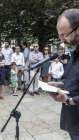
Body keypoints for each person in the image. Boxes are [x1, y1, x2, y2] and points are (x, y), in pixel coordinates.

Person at [48, 9, 79, 139]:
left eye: (65, 35)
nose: (62, 40)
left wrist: (68, 100)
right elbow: (74, 80)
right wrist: (60, 84)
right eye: (60, 36)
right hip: (74, 121)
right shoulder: (74, 52)